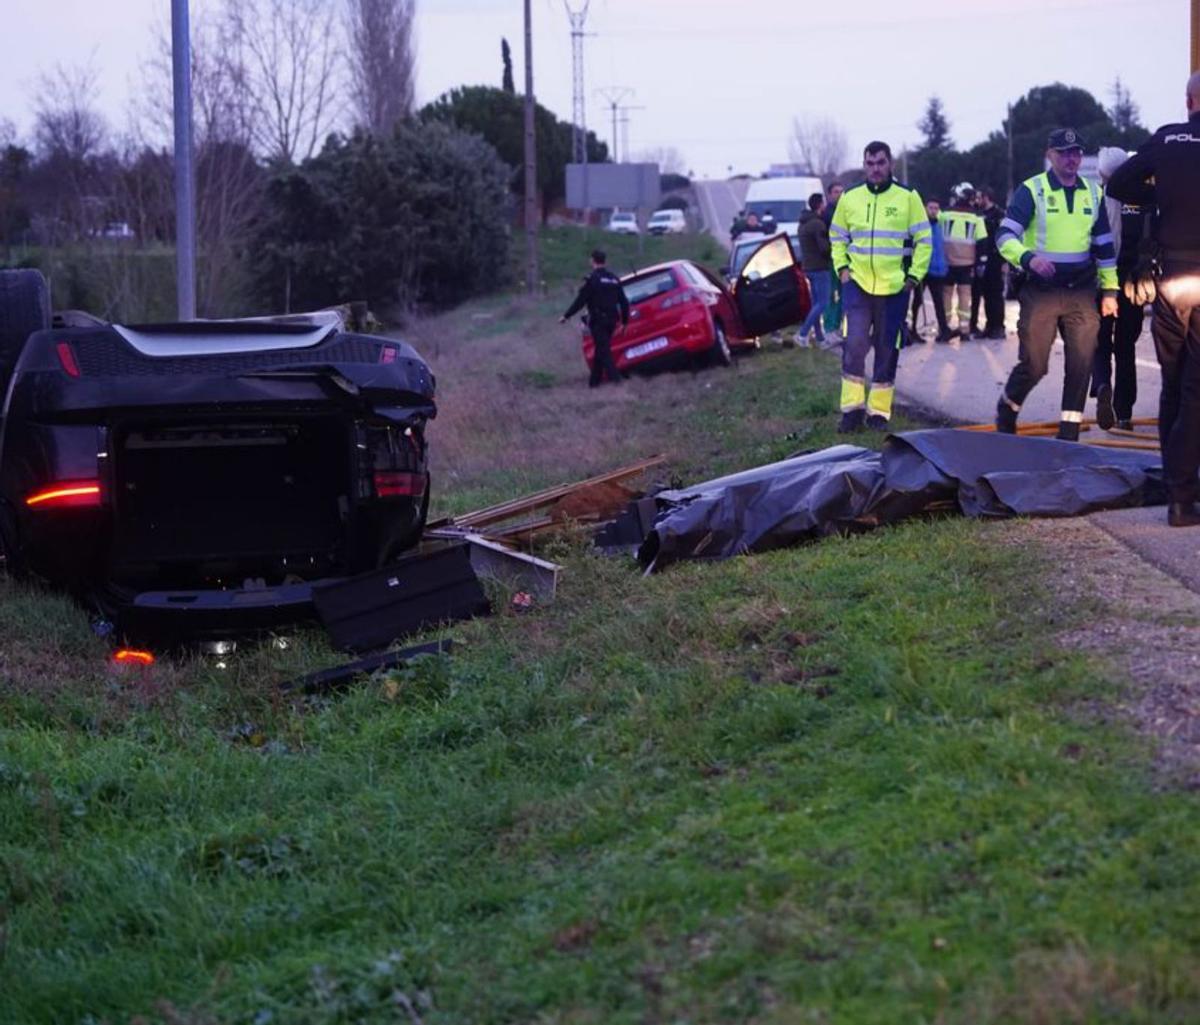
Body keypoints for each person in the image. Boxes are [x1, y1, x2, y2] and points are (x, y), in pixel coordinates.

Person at [1107, 72, 1200, 526]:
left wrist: (1158, 190)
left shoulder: (1167, 138)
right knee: (1196, 391)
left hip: (1171, 279)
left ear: (1188, 100)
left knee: (1173, 385)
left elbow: (1118, 183)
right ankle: (1186, 493)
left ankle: (1176, 494)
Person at [994, 128, 1118, 441]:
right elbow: (1004, 236)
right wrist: (1028, 258)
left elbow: (1104, 245)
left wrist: (1111, 291)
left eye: (1076, 152)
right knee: (1035, 364)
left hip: (1081, 289)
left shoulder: (1093, 192)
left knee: (1081, 362)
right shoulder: (1031, 190)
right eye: (1064, 152)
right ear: (1050, 154)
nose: (1071, 158)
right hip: (1041, 290)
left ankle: (1069, 434)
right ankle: (1008, 408)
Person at [830, 141, 932, 431]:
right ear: (864, 165)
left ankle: (878, 413)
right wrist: (843, 270)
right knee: (855, 346)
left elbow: (924, 239)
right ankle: (851, 411)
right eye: (870, 163)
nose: (875, 169)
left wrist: (913, 276)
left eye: (881, 163)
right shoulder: (850, 198)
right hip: (858, 285)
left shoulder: (908, 197)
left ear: (890, 164)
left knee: (887, 350)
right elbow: (837, 237)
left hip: (895, 288)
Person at [1089, 146, 1147, 432]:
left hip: (1103, 280)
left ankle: (1101, 385)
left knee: (1099, 342)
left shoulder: (1097, 199)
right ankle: (1124, 413)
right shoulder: (1143, 198)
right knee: (1126, 348)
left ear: (1101, 172)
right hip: (1132, 283)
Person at [559, 249, 630, 388]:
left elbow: (581, 300)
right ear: (605, 261)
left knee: (604, 352)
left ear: (592, 261)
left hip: (599, 321)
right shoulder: (614, 279)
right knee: (600, 349)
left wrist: (566, 316)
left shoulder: (592, 279)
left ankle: (618, 383)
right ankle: (593, 385)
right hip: (612, 321)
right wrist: (624, 322)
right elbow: (624, 302)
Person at [939, 182, 989, 341]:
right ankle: (964, 329)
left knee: (946, 295)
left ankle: (944, 328)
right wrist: (982, 262)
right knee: (964, 295)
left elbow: (936, 236)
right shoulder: (976, 217)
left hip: (946, 263)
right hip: (967, 264)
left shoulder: (945, 214)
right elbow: (982, 241)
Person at [794, 192, 831, 347]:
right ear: (819, 205)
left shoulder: (803, 223)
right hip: (820, 267)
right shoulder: (817, 224)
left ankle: (821, 339)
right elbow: (824, 248)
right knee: (823, 303)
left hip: (808, 267)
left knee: (816, 303)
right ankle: (802, 334)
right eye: (823, 203)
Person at [911, 198, 950, 341]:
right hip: (922, 270)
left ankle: (944, 330)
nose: (934, 211)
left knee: (939, 302)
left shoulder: (939, 225)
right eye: (931, 208)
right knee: (917, 301)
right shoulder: (920, 226)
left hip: (937, 270)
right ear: (925, 208)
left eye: (936, 208)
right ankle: (912, 330)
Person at [971, 188, 1007, 338]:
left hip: (996, 259)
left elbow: (1005, 239)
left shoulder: (999, 214)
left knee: (996, 295)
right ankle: (989, 326)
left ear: (987, 197)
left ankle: (998, 327)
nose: (978, 200)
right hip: (983, 259)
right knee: (986, 294)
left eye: (980, 197)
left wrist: (1005, 261)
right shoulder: (979, 214)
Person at [822, 182, 846, 341]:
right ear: (829, 195)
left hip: (845, 259)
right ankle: (829, 328)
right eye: (836, 192)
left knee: (845, 294)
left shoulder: (844, 211)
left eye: (841, 191)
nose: (839, 194)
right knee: (832, 295)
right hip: (831, 260)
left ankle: (837, 326)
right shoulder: (828, 214)